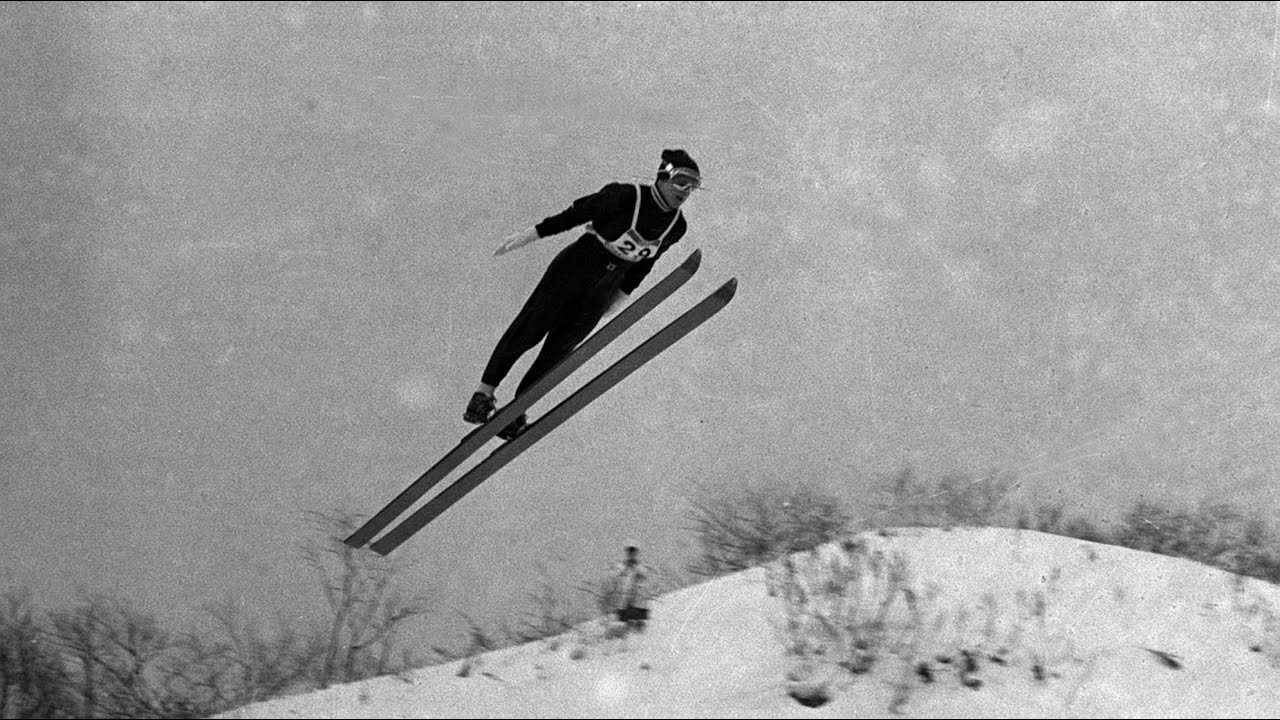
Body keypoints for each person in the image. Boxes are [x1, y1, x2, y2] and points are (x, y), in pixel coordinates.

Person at [464, 148, 702, 440]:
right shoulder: (625, 196)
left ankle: (517, 410)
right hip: (576, 266)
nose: (686, 190)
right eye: (681, 181)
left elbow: (645, 264)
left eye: (693, 185)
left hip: (607, 284)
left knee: (560, 349)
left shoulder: (677, 227)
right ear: (663, 176)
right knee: (531, 328)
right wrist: (529, 236)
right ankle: (483, 395)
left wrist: (620, 297)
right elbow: (574, 215)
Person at [605, 544, 651, 631]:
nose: (631, 554)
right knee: (625, 617)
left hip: (637, 595)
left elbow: (644, 576)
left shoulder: (640, 566)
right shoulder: (622, 566)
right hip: (625, 595)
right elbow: (614, 575)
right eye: (630, 552)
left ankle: (638, 628)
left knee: (637, 614)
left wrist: (637, 572)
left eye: (633, 552)